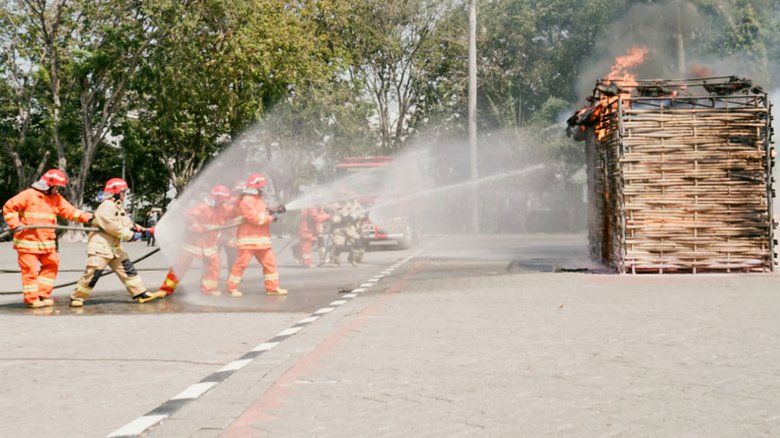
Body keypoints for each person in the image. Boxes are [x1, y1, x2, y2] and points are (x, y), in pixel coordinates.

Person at [2, 169, 93, 308]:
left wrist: (89, 217)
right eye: (56, 187)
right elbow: (9, 208)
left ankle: (42, 295)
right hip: (28, 243)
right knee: (30, 271)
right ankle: (32, 300)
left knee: (52, 264)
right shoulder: (28, 195)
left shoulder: (55, 198)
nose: (57, 190)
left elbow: (69, 211)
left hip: (46, 243)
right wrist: (15, 224)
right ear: (48, 185)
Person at [70, 178, 164, 307]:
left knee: (128, 269)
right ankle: (77, 298)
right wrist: (131, 236)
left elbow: (126, 223)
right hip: (100, 247)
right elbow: (112, 226)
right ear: (115, 191)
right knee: (92, 275)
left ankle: (141, 293)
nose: (124, 194)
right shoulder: (106, 206)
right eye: (123, 191)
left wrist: (142, 230)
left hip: (114, 247)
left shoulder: (117, 206)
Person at [158, 185, 231, 297]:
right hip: (193, 244)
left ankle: (208, 289)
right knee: (181, 266)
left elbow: (230, 212)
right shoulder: (203, 206)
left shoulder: (221, 208)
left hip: (209, 244)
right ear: (216, 197)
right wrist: (197, 227)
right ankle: (166, 289)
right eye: (222, 198)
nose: (224, 201)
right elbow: (189, 216)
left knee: (214, 265)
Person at [226, 173, 287, 296]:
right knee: (241, 265)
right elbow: (255, 219)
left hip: (262, 241)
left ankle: (272, 288)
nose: (263, 188)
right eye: (261, 186)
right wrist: (271, 218)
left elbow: (263, 212)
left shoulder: (257, 199)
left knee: (270, 264)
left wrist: (274, 210)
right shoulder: (247, 200)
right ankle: (232, 288)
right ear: (256, 186)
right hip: (248, 239)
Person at [296, 197, 330, 268]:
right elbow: (316, 217)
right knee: (307, 245)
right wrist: (328, 216)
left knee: (312, 242)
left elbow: (321, 214)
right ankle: (307, 262)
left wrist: (326, 215)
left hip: (312, 229)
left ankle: (298, 251)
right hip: (306, 229)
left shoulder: (318, 206)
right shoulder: (311, 206)